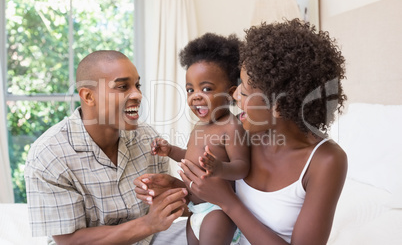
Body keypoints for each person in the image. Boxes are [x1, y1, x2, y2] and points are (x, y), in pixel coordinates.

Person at [177, 19, 348, 244]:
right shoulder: (240, 129)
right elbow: (208, 194)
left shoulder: (325, 161)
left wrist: (229, 202)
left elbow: (222, 197)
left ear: (278, 106)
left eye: (245, 93)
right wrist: (176, 190)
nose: (235, 95)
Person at [24, 50, 188, 245]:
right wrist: (148, 224)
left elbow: (172, 211)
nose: (138, 95)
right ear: (88, 96)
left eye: (137, 85)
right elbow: (69, 241)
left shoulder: (147, 137)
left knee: (206, 228)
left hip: (147, 240)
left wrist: (175, 192)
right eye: (122, 86)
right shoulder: (49, 154)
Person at [149, 33, 250, 245]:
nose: (196, 95)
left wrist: (219, 168)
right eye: (190, 89)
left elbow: (242, 167)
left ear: (231, 93)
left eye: (206, 89)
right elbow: (192, 158)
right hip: (194, 209)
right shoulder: (200, 126)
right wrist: (171, 151)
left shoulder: (231, 126)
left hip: (218, 211)